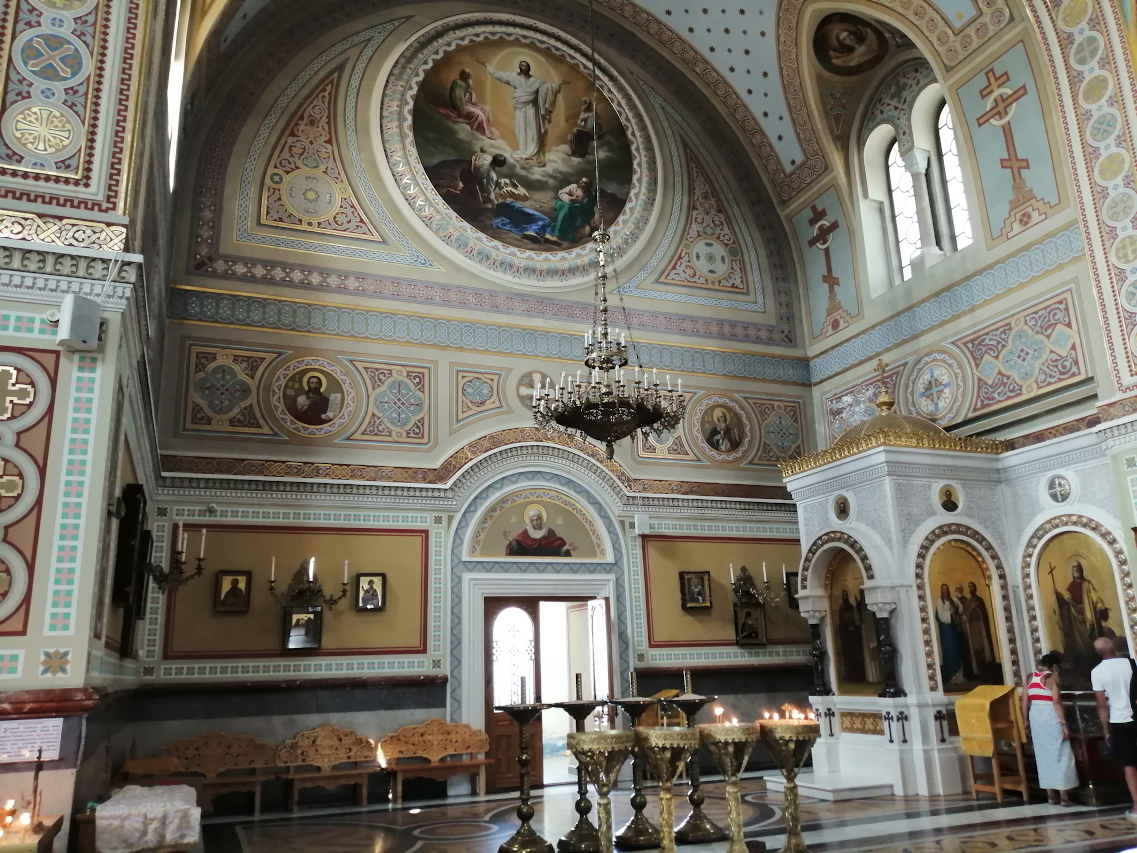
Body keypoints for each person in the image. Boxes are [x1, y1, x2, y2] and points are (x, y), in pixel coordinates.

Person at [479, 58, 566, 164]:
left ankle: (533, 154)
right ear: (519, 67)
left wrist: (558, 85)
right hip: (520, 108)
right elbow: (499, 74)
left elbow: (547, 87)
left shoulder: (535, 82)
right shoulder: (513, 77)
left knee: (533, 130)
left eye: (526, 66)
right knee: (520, 128)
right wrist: (487, 65)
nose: (524, 67)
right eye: (522, 65)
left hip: (532, 109)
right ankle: (523, 151)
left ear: (529, 68)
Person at [1021, 651, 1079, 805]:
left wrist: (1025, 720)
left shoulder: (1030, 677)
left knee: (1043, 754)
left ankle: (1051, 795)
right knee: (1061, 752)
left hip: (1035, 715)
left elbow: (1025, 700)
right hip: (1050, 714)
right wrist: (1064, 724)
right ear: (1054, 666)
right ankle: (1064, 795)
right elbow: (1056, 701)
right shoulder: (1054, 678)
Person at [1091, 636, 1137, 819]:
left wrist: (1106, 730)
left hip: (1118, 721)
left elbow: (1102, 704)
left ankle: (1136, 806)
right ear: (1114, 648)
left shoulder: (1097, 672)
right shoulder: (1130, 663)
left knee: (1129, 763)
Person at [436, 68, 500, 139]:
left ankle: (486, 127)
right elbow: (460, 99)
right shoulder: (458, 83)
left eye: (468, 76)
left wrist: (470, 90)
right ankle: (483, 132)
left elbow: (473, 102)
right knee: (480, 115)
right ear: (463, 76)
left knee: (486, 109)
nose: (467, 77)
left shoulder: (466, 86)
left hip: (469, 104)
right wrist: (462, 112)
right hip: (460, 106)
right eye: (466, 75)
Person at [504, 504, 576, 557]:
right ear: (530, 522)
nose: (536, 522)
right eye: (533, 520)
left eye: (537, 519)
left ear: (541, 519)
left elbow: (556, 553)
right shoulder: (526, 533)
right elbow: (519, 552)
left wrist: (564, 548)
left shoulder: (549, 532)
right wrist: (513, 541)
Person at [964, 581, 997, 681]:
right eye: (969, 587)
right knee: (976, 650)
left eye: (972, 586)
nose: (971, 589)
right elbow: (966, 617)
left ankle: (988, 672)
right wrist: (972, 609)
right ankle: (978, 672)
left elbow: (985, 615)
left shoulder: (980, 600)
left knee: (984, 650)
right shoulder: (968, 601)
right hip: (973, 629)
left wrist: (978, 609)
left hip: (981, 628)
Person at [935, 583, 965, 686]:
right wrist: (950, 613)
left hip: (954, 628)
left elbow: (961, 609)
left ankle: (959, 676)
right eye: (943, 589)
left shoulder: (953, 600)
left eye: (947, 589)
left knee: (956, 650)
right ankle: (952, 676)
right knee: (949, 651)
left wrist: (956, 611)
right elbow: (941, 614)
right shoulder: (940, 601)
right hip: (946, 630)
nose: (945, 591)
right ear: (941, 591)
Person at [551, 176, 597, 242]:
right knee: (567, 207)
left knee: (580, 225)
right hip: (563, 204)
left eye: (584, 183)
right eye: (581, 181)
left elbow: (590, 209)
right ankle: (558, 234)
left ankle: (563, 232)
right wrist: (570, 199)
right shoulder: (574, 187)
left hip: (575, 210)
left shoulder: (589, 196)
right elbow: (561, 193)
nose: (581, 183)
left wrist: (591, 220)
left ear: (588, 186)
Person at [837, 589, 866, 683]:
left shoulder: (850, 606)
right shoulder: (842, 608)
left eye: (846, 594)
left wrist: (852, 626)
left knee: (855, 655)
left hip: (852, 635)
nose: (845, 596)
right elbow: (842, 620)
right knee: (848, 656)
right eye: (844, 595)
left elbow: (854, 617)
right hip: (846, 635)